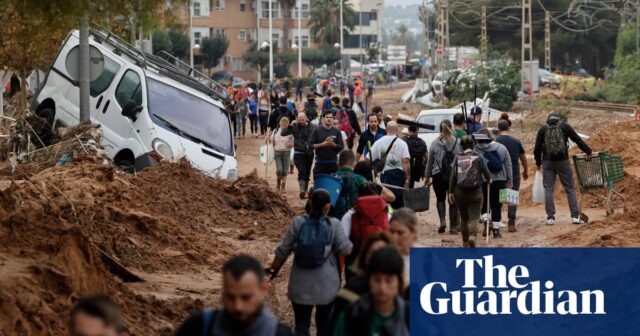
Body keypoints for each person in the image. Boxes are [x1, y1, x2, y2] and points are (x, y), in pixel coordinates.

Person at [267, 189, 353, 336]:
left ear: (310, 202)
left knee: (301, 325)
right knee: (324, 325)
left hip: (300, 284)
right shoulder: (333, 224)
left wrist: (273, 268)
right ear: (328, 206)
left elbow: (283, 250)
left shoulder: (298, 222)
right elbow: (345, 249)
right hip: (328, 285)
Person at [175, 255, 293, 336]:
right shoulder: (197, 327)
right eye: (231, 297)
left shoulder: (281, 333)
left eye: (246, 297)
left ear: (263, 290)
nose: (238, 306)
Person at [333, 246, 409, 336]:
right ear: (368, 280)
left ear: (399, 282)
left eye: (388, 281)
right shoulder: (350, 316)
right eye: (377, 280)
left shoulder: (411, 317)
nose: (382, 287)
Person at [533, 112, 592, 225]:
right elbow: (577, 140)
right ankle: (575, 217)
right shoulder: (564, 126)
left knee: (549, 189)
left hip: (547, 162)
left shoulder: (542, 129)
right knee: (569, 188)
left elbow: (537, 149)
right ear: (558, 120)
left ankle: (550, 218)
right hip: (563, 162)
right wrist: (588, 151)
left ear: (548, 121)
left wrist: (538, 163)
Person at [449, 136, 492, 247]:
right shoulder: (479, 157)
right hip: (476, 192)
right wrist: (489, 179)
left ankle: (465, 242)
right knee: (474, 217)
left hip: (460, 193)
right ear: (473, 145)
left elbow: (453, 176)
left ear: (461, 146)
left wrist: (450, 192)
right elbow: (487, 174)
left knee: (464, 218)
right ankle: (473, 237)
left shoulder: (457, 158)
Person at [474, 129, 513, 238]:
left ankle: (487, 223)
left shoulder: (476, 149)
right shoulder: (501, 147)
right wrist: (509, 181)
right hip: (500, 180)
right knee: (497, 205)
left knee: (484, 203)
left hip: (483, 180)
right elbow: (508, 165)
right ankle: (496, 231)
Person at [425, 120, 461, 234]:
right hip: (453, 175)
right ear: (451, 128)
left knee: (440, 199)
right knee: (453, 200)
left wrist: (427, 176)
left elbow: (429, 162)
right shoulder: (456, 142)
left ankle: (442, 221)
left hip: (438, 175)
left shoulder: (435, 143)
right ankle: (453, 227)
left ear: (440, 129)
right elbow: (461, 159)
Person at [495, 115, 528, 232]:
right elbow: (523, 158)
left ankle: (496, 222)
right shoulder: (516, 142)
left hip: (498, 174)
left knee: (497, 197)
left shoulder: (495, 142)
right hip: (513, 173)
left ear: (498, 129)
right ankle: (511, 223)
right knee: (512, 196)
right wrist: (525, 171)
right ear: (508, 128)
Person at [370, 121, 411, 209]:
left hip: (385, 177)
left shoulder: (379, 142)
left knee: (386, 201)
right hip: (398, 177)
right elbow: (406, 162)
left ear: (386, 129)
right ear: (397, 130)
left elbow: (368, 158)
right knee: (398, 202)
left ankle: (387, 219)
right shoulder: (403, 144)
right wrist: (407, 178)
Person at [331, 150, 367, 220]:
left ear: (338, 163)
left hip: (332, 220)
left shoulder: (330, 178)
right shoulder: (358, 179)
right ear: (354, 164)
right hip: (351, 219)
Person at [288, 113, 316, 199]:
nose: (301, 122)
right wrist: (290, 125)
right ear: (297, 119)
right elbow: (284, 133)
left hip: (309, 153)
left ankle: (305, 191)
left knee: (307, 172)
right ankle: (302, 190)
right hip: (298, 152)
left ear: (306, 119)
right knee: (302, 170)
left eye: (302, 120)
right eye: (299, 120)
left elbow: (315, 137)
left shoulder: (312, 127)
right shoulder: (295, 126)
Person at [310, 110, 344, 175]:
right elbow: (311, 145)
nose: (329, 119)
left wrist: (332, 144)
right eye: (327, 117)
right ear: (323, 118)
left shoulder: (337, 131)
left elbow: (341, 147)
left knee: (332, 183)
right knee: (320, 184)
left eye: (331, 117)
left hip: (333, 163)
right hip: (320, 163)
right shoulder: (317, 130)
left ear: (333, 119)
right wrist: (323, 144)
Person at [388, 208, 418, 282]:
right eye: (391, 232)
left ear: (413, 233)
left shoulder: (427, 259)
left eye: (400, 233)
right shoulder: (383, 257)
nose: (394, 237)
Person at [268, 117, 294, 193]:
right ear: (280, 123)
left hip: (286, 153)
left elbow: (292, 142)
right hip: (277, 153)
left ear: (288, 124)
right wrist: (271, 139)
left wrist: (290, 144)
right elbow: (271, 141)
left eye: (285, 123)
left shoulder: (290, 132)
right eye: (282, 123)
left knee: (285, 171)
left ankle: (283, 186)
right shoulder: (275, 131)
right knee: (279, 170)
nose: (284, 124)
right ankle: (278, 183)